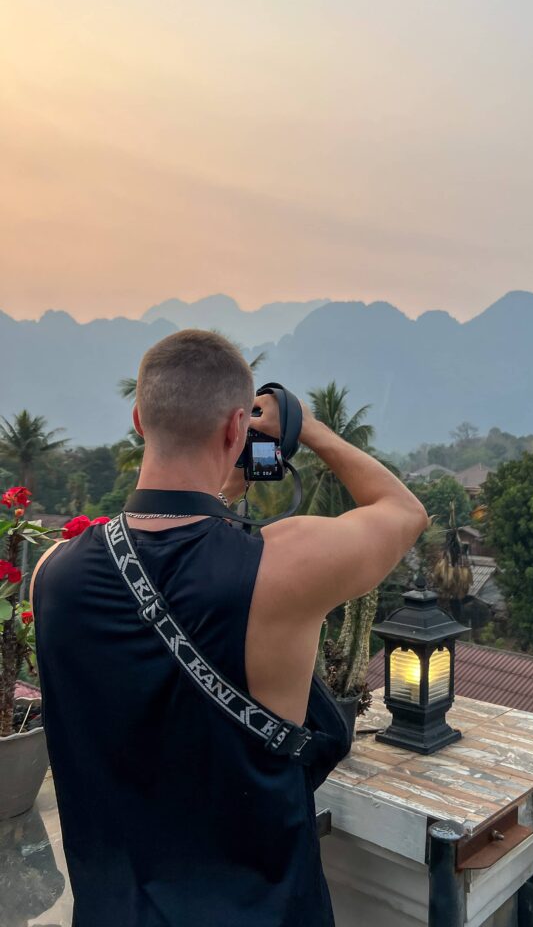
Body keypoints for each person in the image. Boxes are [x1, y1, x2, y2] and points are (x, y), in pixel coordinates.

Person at [31, 329, 428, 927]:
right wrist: (306, 427)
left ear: (140, 420)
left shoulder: (51, 572)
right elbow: (404, 513)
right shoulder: (278, 567)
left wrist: (220, 481)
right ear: (234, 428)